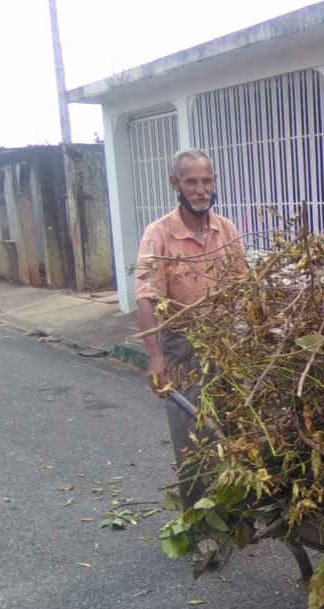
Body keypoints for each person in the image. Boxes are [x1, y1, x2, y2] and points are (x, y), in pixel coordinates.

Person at [134, 148, 247, 515]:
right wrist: (156, 357)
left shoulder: (226, 229)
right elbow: (147, 298)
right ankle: (198, 520)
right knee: (190, 436)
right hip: (182, 345)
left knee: (231, 427)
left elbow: (244, 289)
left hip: (224, 340)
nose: (201, 190)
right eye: (192, 182)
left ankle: (229, 511)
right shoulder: (159, 234)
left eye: (207, 181)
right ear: (175, 185)